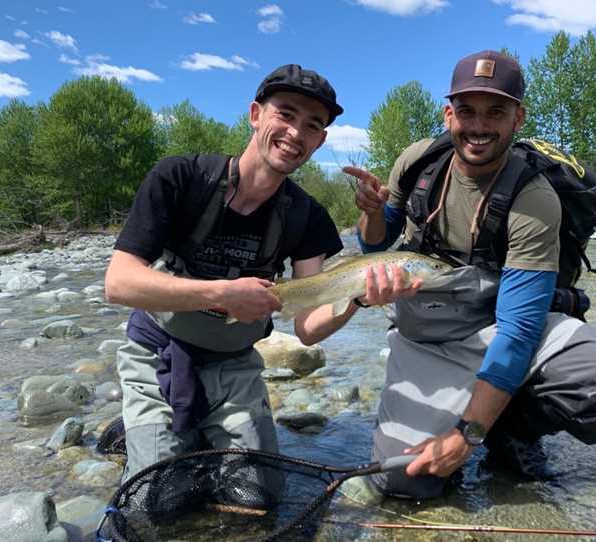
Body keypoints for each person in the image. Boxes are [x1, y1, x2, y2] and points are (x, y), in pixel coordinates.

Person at [346, 50, 596, 499]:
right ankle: (471, 419)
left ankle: (511, 428)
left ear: (518, 117)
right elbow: (375, 243)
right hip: (426, 338)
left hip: (501, 326)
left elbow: (520, 328)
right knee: (404, 483)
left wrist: (468, 434)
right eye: (466, 111)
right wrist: (372, 214)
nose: (479, 126)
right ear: (448, 113)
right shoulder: (417, 162)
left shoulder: (533, 197)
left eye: (496, 112)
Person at [104, 64, 419, 484]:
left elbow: (307, 327)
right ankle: (147, 427)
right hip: (156, 353)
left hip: (235, 367)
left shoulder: (307, 216)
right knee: (157, 492)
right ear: (256, 114)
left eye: (312, 125)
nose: (295, 133)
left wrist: (358, 298)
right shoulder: (180, 178)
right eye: (285, 114)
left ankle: (193, 426)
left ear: (320, 140)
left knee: (257, 490)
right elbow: (119, 283)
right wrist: (222, 294)